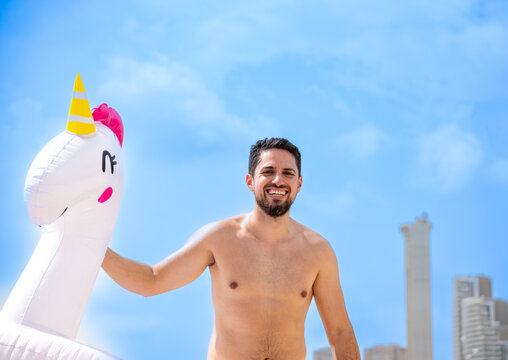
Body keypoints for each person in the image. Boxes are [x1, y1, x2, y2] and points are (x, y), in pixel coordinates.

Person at [102, 138, 361, 360]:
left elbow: (340, 331)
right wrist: (95, 247)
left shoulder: (317, 251)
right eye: (268, 171)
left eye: (288, 173)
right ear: (250, 181)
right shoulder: (219, 238)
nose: (278, 180)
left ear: (299, 183)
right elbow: (152, 280)